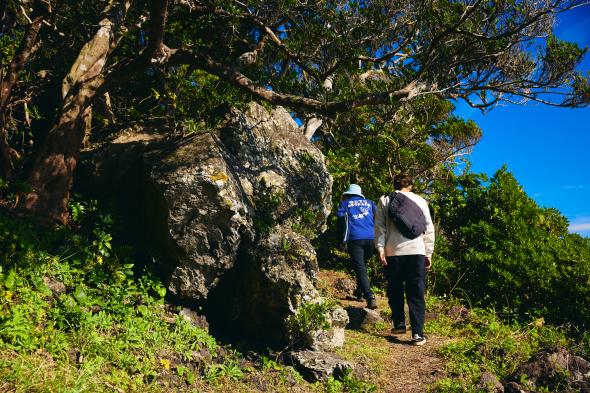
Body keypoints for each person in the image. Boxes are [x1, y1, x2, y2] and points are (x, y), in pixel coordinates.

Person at [374, 175, 435, 346]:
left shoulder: (385, 199)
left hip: (393, 251)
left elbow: (380, 226)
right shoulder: (421, 200)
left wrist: (380, 248)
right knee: (416, 292)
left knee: (395, 289)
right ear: (411, 185)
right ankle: (417, 333)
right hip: (416, 251)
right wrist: (428, 252)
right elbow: (428, 228)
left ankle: (399, 324)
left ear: (394, 184)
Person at [337, 184, 378, 310]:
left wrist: (341, 240)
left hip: (355, 238)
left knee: (360, 268)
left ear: (347, 194)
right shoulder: (370, 203)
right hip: (372, 239)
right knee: (363, 265)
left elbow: (341, 220)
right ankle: (360, 292)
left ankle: (370, 297)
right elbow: (379, 219)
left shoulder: (345, 204)